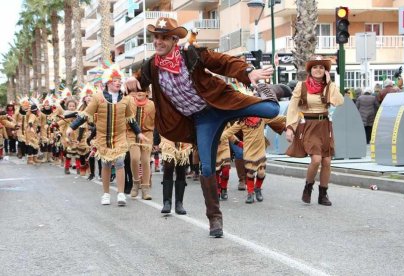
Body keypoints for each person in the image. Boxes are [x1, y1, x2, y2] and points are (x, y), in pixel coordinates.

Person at [127, 17, 279, 237]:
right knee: (207, 168)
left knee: (272, 111)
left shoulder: (191, 54)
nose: (158, 41)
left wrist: (248, 73)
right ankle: (215, 220)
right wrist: (129, 82)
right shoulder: (152, 66)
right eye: (155, 37)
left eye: (163, 37)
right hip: (203, 118)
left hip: (222, 103)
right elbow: (139, 82)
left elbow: (222, 62)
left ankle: (266, 88)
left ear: (173, 39)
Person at [67, 64, 148, 206]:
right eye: (115, 80)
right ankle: (105, 194)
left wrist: (139, 133)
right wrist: (72, 127)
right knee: (105, 163)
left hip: (120, 136)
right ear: (108, 83)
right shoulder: (98, 98)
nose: (118, 82)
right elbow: (85, 115)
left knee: (120, 163)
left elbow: (131, 119)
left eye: (119, 80)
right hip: (103, 137)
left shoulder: (126, 99)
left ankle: (121, 193)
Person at [285, 55, 344, 206]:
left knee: (327, 161)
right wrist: (290, 127)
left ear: (325, 71)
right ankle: (308, 187)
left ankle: (323, 194)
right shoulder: (301, 85)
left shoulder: (329, 86)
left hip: (325, 126)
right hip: (309, 126)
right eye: (315, 67)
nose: (318, 70)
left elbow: (339, 102)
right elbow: (293, 107)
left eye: (322, 67)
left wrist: (330, 83)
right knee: (316, 159)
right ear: (310, 70)